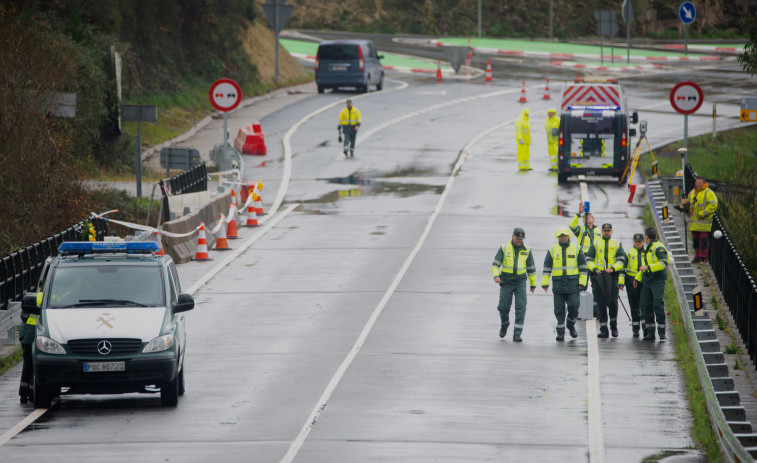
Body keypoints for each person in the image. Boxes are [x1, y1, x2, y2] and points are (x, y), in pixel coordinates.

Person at [542, 229, 588, 341]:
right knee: (559, 309)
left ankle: (571, 324)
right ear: (558, 237)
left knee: (574, 306)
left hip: (573, 284)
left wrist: (582, 282)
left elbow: (583, 268)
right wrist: (545, 283)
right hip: (558, 284)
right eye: (561, 236)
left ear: (568, 236)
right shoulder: (552, 250)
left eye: (565, 236)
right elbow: (547, 268)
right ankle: (560, 332)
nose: (563, 238)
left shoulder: (577, 249)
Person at [491, 227, 537, 342]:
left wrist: (533, 284)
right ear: (512, 236)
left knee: (521, 308)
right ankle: (504, 323)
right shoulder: (504, 248)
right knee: (503, 307)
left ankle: (517, 334)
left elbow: (531, 269)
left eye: (521, 239)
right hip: (506, 282)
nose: (519, 241)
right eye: (517, 239)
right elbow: (495, 264)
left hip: (520, 283)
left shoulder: (526, 250)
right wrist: (496, 276)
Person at [586, 223, 626, 338]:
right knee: (601, 303)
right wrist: (594, 268)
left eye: (608, 231)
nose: (606, 232)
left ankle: (614, 327)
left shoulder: (617, 244)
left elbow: (621, 261)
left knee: (613, 302)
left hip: (612, 276)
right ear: (601, 231)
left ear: (611, 232)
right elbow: (589, 259)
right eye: (604, 230)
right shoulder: (596, 243)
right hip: (598, 276)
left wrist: (613, 268)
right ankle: (603, 329)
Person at [635, 227, 669, 341]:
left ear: (646, 237)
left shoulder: (658, 247)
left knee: (658, 304)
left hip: (657, 281)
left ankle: (662, 332)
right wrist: (637, 278)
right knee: (646, 306)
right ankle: (650, 333)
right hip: (647, 281)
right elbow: (644, 266)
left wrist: (648, 268)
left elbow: (663, 263)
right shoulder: (648, 248)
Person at [681, 177, 718, 264]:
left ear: (704, 183)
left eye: (700, 183)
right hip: (694, 222)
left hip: (703, 222)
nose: (698, 184)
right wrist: (685, 202)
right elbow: (689, 204)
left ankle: (703, 258)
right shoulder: (692, 192)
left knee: (703, 241)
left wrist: (703, 213)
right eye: (697, 182)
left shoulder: (708, 193)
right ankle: (696, 257)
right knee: (695, 241)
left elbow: (713, 205)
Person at [619, 233, 645, 337]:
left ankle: (646, 327)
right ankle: (635, 328)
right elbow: (622, 269)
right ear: (634, 242)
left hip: (643, 281)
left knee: (644, 305)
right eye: (636, 242)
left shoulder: (648, 253)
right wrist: (621, 282)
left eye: (640, 242)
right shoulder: (629, 253)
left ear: (643, 242)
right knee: (634, 305)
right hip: (631, 282)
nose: (638, 244)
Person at [18, 292, 41, 404]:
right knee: (34, 366)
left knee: (28, 367)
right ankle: (31, 394)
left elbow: (23, 317)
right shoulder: (48, 297)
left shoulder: (35, 297)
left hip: (27, 336)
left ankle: (24, 394)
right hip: (35, 336)